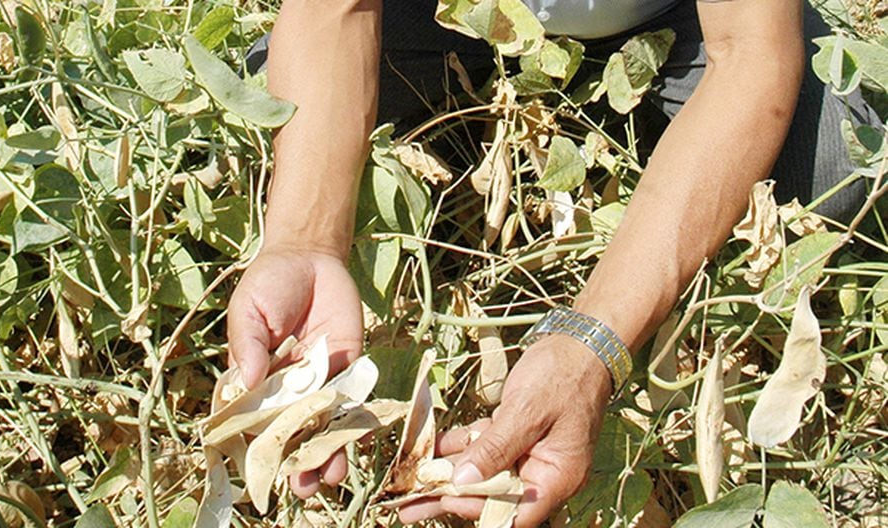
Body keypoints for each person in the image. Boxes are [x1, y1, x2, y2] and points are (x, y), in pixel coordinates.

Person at [225, 0, 878, 525]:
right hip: (447, 10)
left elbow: (750, 54)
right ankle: (476, 122)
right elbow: (335, 10)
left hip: (674, 20)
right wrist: (304, 240)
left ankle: (610, 132)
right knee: (262, 102)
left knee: (837, 162)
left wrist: (591, 345)